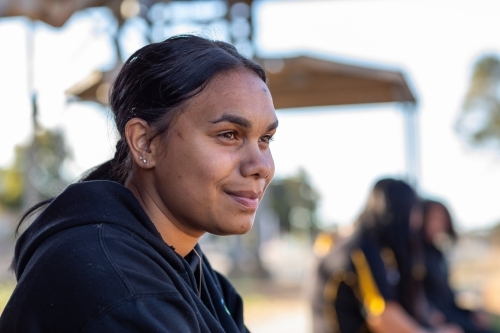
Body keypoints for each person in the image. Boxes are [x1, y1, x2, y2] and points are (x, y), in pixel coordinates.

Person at [0, 34, 278, 332]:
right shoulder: (117, 288)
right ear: (144, 143)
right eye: (229, 134)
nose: (261, 166)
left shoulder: (195, 272)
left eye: (265, 139)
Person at [310, 178, 463, 333]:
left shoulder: (373, 245)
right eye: (415, 212)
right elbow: (382, 316)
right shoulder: (362, 249)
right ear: (401, 212)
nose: (417, 222)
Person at [421, 200, 494, 333]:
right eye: (432, 218)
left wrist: (471, 312)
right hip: (437, 319)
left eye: (441, 220)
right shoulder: (415, 253)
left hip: (451, 312)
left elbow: (448, 295)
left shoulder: (438, 253)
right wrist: (428, 312)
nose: (437, 224)